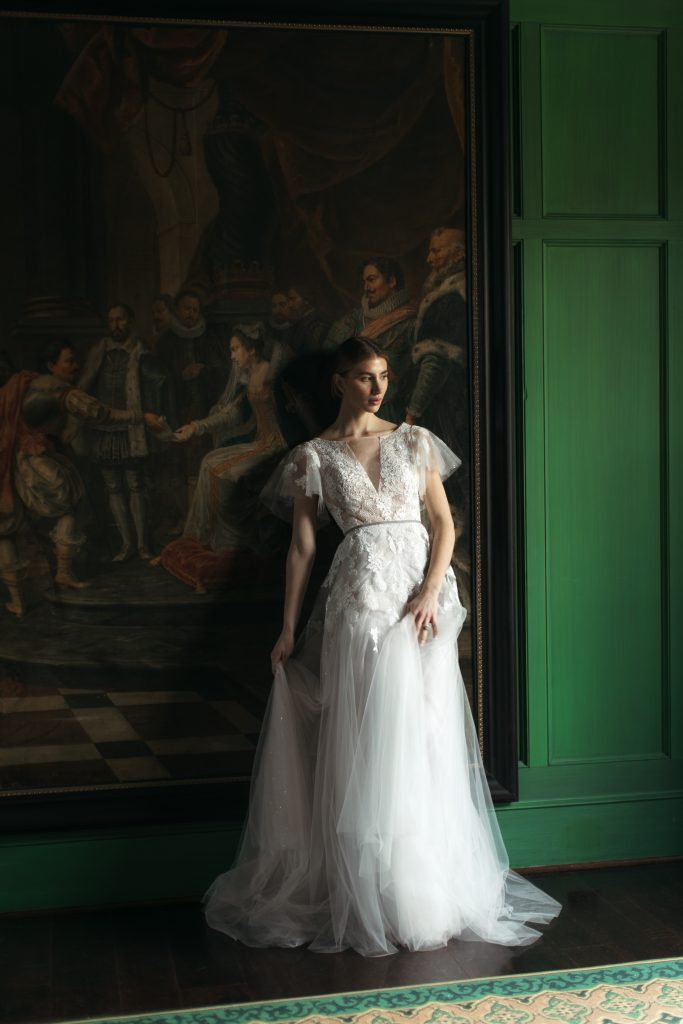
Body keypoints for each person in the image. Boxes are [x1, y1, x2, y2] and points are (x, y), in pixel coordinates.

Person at [203, 336, 560, 956]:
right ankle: (365, 889)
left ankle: (421, 889)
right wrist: (288, 628)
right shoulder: (314, 456)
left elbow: (443, 524)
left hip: (415, 595)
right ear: (339, 381)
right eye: (366, 377)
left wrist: (428, 592)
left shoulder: (413, 441)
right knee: (363, 732)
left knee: (420, 733)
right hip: (357, 597)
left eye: (385, 375)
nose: (379, 387)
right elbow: (303, 548)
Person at [0, 341, 152, 613]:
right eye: (69, 361)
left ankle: (19, 602)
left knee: (4, 530)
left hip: (8, 462)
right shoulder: (55, 388)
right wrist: (142, 417)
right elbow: (99, 413)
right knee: (69, 500)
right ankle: (63, 572)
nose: (76, 366)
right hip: (30, 460)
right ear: (51, 365)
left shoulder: (18, 385)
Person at [157, 323, 306, 592]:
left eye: (235, 349)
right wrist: (196, 426)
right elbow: (233, 414)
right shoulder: (249, 377)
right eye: (231, 350)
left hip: (279, 445)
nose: (232, 356)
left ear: (251, 349)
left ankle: (230, 545)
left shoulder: (274, 373)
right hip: (261, 442)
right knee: (209, 462)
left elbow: (298, 410)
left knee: (229, 473)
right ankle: (204, 539)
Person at [77, 304, 167, 561]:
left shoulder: (141, 352)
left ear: (130, 322)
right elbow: (84, 385)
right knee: (113, 487)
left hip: (132, 428)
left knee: (135, 485)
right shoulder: (98, 352)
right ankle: (126, 545)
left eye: (121, 320)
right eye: (112, 320)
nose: (116, 324)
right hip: (103, 429)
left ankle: (142, 545)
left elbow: (156, 387)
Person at [324, 258, 418, 422]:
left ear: (392, 281)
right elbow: (327, 356)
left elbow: (421, 373)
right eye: (364, 281)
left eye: (372, 280)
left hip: (394, 411)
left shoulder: (411, 322)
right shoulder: (354, 320)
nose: (366, 287)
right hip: (355, 410)